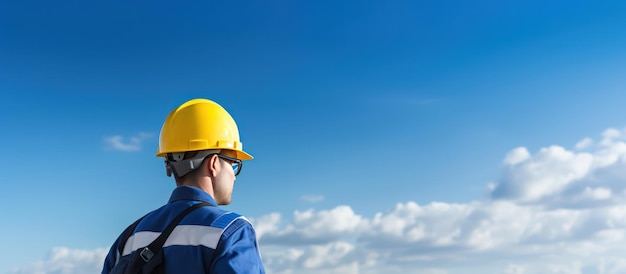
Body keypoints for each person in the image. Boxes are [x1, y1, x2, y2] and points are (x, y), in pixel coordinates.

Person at [102, 98, 266, 273]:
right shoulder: (232, 231)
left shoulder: (129, 238)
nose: (234, 176)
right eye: (233, 164)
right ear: (213, 164)